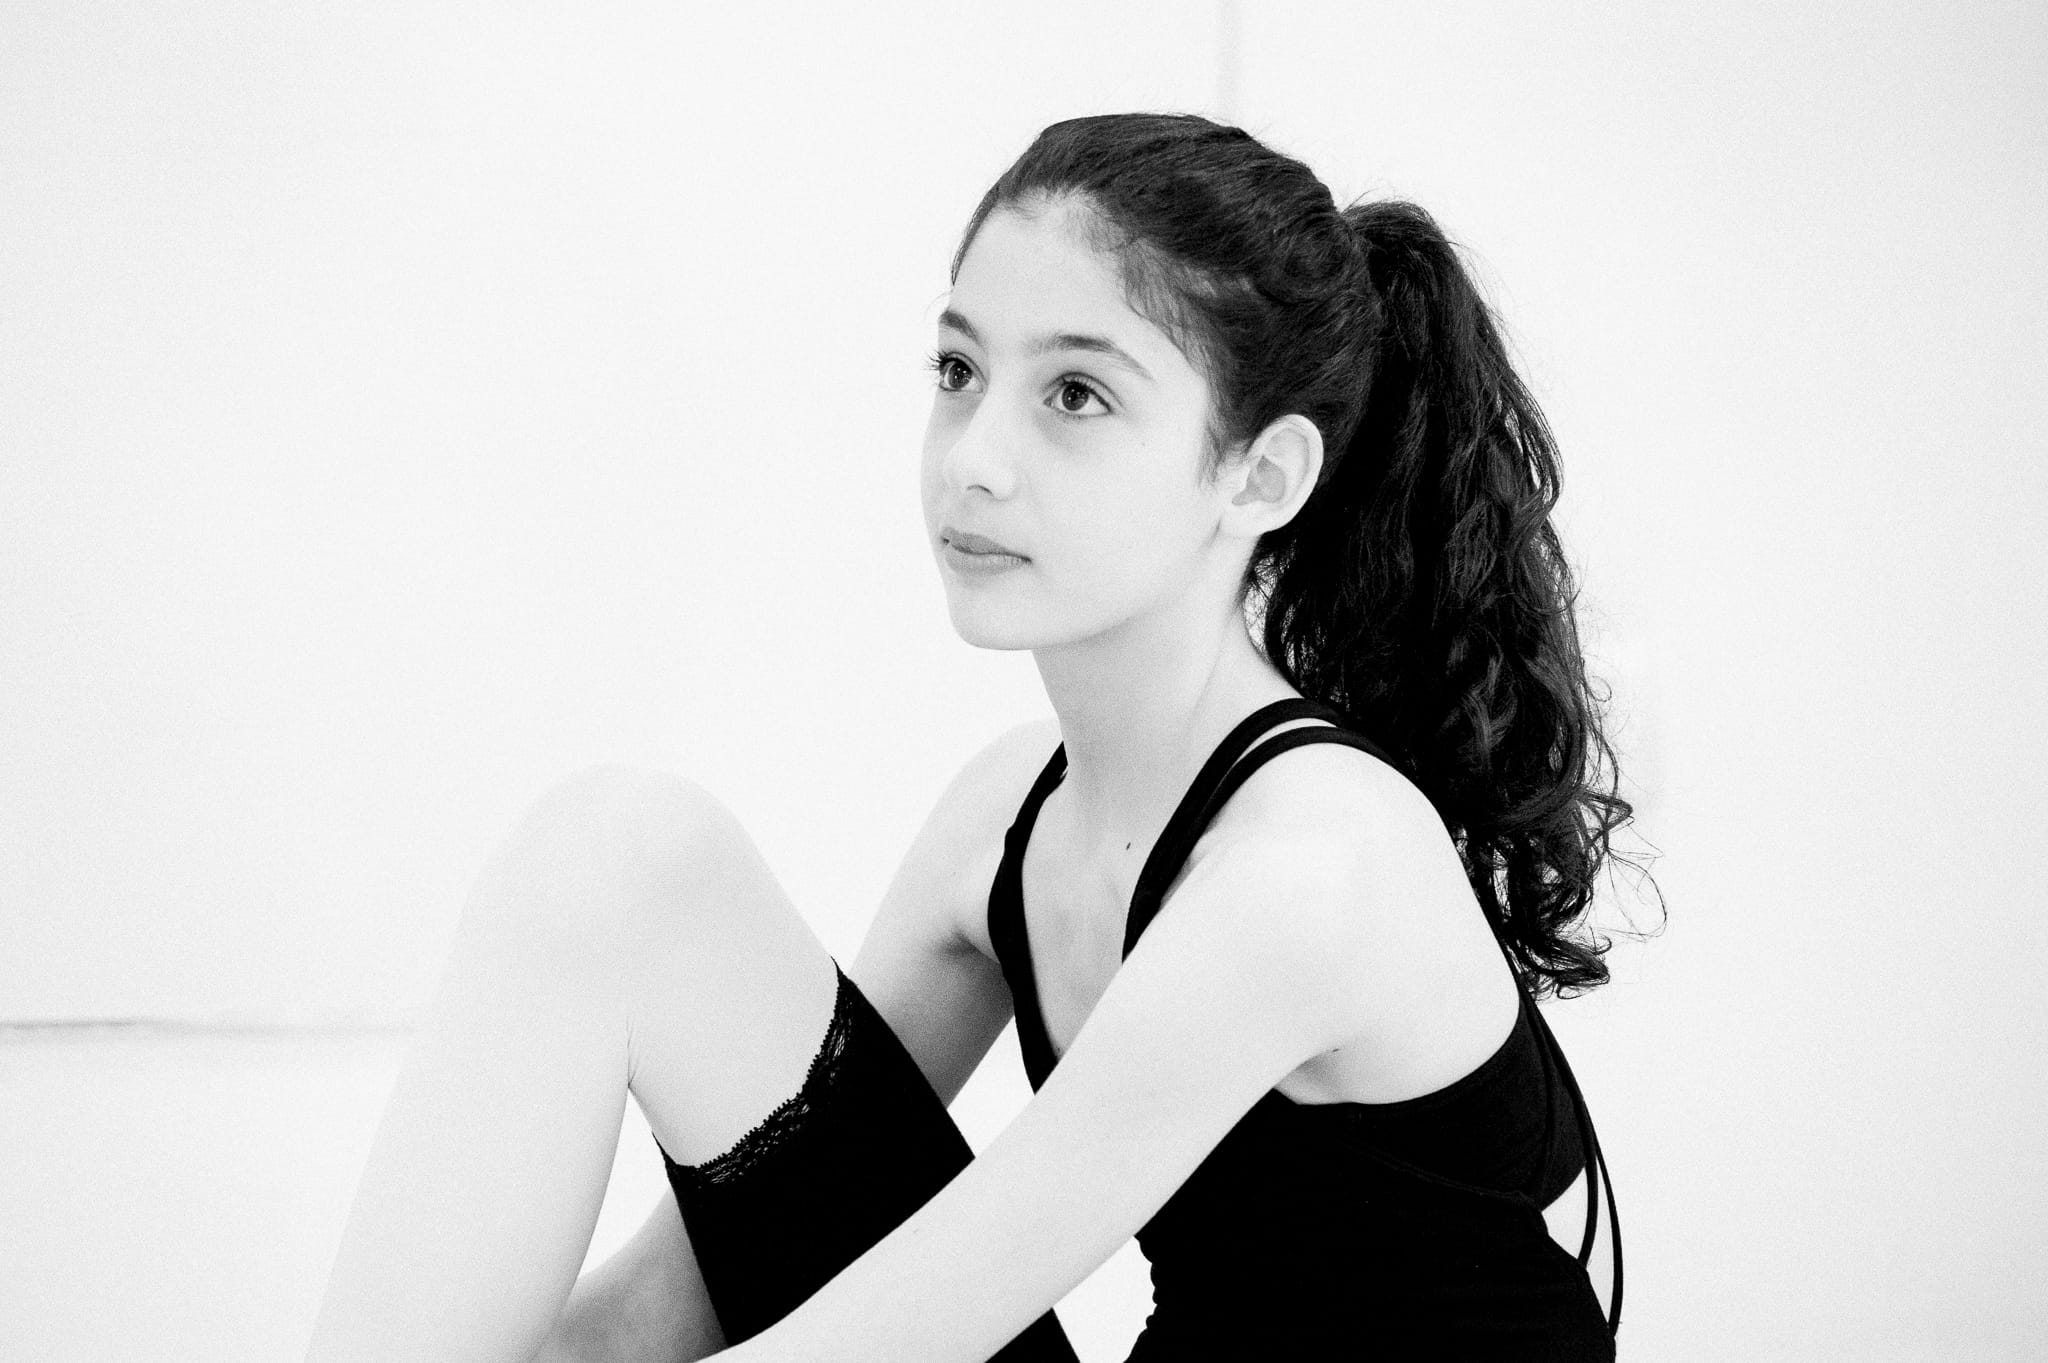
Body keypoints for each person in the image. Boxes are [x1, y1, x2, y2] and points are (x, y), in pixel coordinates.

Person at [307, 111, 1637, 1363]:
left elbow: (895, 1337)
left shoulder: (1310, 873)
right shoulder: (1009, 818)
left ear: (1261, 474)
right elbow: (724, 1270)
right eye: (959, 370)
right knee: (621, 857)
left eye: (1076, 396)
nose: (974, 458)